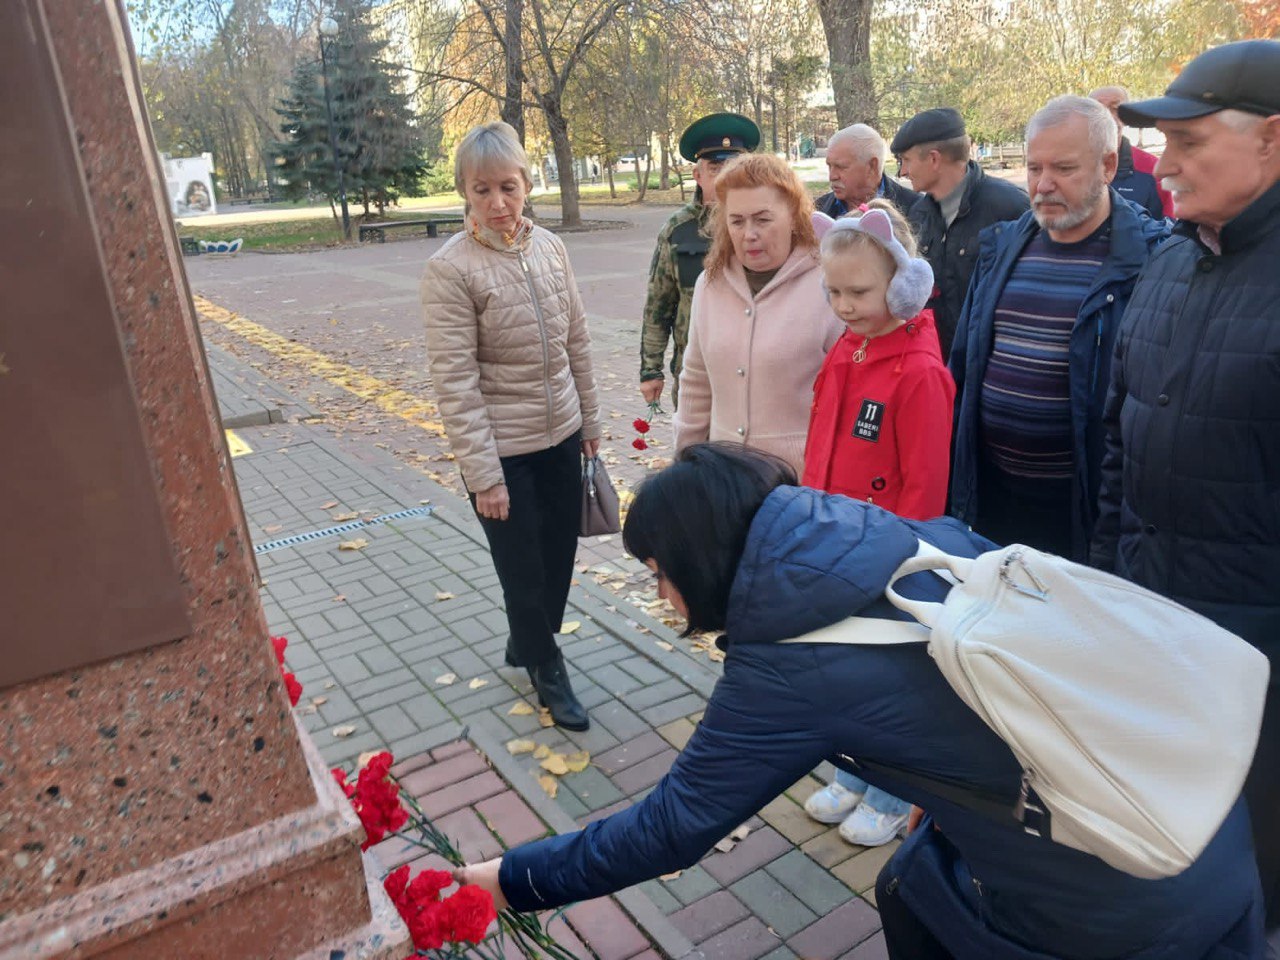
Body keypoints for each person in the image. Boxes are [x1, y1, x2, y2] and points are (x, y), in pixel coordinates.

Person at [454, 443, 1265, 960]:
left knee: (913, 889)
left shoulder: (784, 670)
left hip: (1120, 900)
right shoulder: (912, 540)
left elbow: (667, 831)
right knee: (917, 867)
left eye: (657, 571)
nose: (658, 594)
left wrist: (504, 881)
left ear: (699, 562)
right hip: (1203, 812)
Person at [1091, 39, 1280, 938]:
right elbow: (1121, 439)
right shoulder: (1169, 261)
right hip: (1158, 624)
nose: (1164, 165)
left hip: (1261, 668)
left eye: (1192, 142)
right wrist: (1107, 580)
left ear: (1273, 141)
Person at [421, 122, 601, 731]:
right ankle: (546, 666)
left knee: (557, 556)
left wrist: (592, 422)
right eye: (481, 190)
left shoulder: (551, 248)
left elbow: (577, 337)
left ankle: (527, 638)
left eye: (508, 187)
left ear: (527, 184)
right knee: (520, 566)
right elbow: (456, 381)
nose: (497, 203)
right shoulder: (450, 270)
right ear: (464, 194)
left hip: (562, 434)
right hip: (504, 449)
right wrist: (483, 475)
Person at [949, 96, 1170, 561]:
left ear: (1108, 165)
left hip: (1086, 515)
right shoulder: (1001, 247)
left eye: (1064, 169)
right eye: (1033, 169)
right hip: (994, 505)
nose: (1043, 185)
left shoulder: (1152, 262)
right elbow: (963, 366)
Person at [800, 202, 953, 846]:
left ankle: (896, 791)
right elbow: (820, 445)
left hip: (890, 563)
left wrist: (905, 564)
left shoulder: (918, 372)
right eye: (832, 291)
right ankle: (856, 772)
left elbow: (924, 486)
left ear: (901, 285)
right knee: (846, 670)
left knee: (893, 682)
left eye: (858, 292)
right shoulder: (848, 348)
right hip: (835, 545)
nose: (842, 305)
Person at [673, 153, 842, 477]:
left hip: (802, 486)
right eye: (737, 221)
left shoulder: (829, 284)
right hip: (722, 482)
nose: (749, 233)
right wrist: (684, 468)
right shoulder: (710, 284)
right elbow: (695, 381)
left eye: (762, 219)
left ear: (794, 216)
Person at [639, 113, 761, 411]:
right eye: (716, 168)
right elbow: (659, 304)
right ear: (698, 175)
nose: (724, 178)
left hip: (754, 372)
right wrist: (650, 370)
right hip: (696, 372)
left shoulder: (763, 226)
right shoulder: (677, 230)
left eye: (733, 168)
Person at [891, 107, 1030, 358]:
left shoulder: (1012, 208)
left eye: (906, 160)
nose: (902, 172)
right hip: (936, 366)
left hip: (989, 367)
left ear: (934, 159)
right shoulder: (917, 215)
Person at [1089, 85, 1173, 219]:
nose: (1107, 116)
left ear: (1126, 117)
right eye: (1098, 109)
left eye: (1115, 108)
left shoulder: (1153, 169)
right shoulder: (1066, 165)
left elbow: (1170, 231)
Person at [815, 124, 920, 219]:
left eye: (841, 167)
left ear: (872, 166)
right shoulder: (817, 211)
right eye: (829, 166)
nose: (832, 176)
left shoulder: (918, 210)